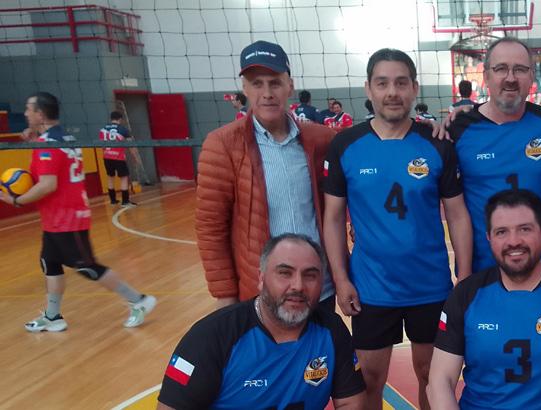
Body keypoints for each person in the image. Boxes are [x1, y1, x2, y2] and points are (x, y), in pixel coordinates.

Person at [321, 47, 473, 410]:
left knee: (432, 376)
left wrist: (464, 276)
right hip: (372, 287)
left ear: (414, 88)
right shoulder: (345, 146)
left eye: (401, 83)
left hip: (429, 285)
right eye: (383, 83)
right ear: (368, 89)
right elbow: (332, 218)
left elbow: (457, 215)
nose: (393, 92)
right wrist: (341, 280)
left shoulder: (437, 143)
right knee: (370, 379)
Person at [429, 189, 541, 409]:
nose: (513, 241)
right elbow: (440, 382)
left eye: (524, 229)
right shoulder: (465, 295)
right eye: (501, 232)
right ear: (489, 238)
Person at [196, 40, 336, 308]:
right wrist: (225, 295)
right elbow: (210, 227)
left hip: (319, 289)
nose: (267, 93)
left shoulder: (321, 140)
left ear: (289, 86)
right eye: (257, 84)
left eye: (275, 83)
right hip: (263, 295)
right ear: (245, 88)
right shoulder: (223, 144)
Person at [0, 92, 157, 332]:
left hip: (67, 219)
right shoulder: (64, 138)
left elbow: (47, 184)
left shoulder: (47, 145)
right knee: (50, 262)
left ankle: (139, 300)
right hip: (57, 218)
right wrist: (35, 139)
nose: (25, 113)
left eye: (29, 109)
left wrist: (16, 200)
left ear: (40, 114)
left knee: (87, 267)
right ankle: (53, 316)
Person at [157, 234, 366, 409]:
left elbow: (351, 403)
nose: (298, 285)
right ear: (261, 278)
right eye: (284, 273)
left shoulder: (332, 330)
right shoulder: (209, 337)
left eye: (310, 275)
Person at [447, 37, 541, 273]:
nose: (511, 78)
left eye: (520, 69)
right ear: (486, 76)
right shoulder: (457, 129)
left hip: (536, 270)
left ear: (532, 77)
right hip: (480, 273)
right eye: (501, 68)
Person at [99, 111, 138, 206]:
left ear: (111, 118)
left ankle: (113, 201)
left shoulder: (103, 130)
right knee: (124, 178)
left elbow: (102, 145)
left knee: (110, 177)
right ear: (120, 119)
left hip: (107, 157)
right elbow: (131, 145)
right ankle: (125, 201)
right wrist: (135, 157)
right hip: (119, 157)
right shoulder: (123, 129)